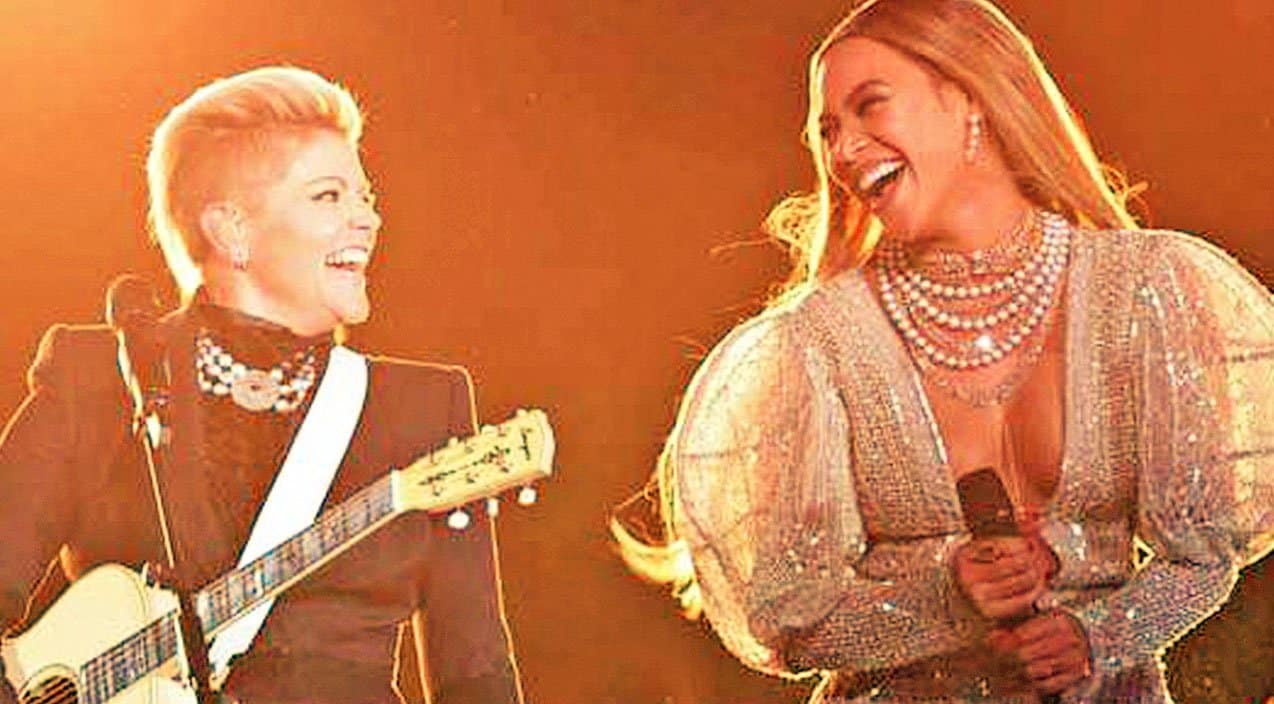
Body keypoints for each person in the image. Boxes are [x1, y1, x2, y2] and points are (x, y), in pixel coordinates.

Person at [615, 0, 1274, 701]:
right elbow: (793, 624)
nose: (843, 152)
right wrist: (946, 597)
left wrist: (1098, 636)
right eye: (828, 131)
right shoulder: (820, 342)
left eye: (870, 106)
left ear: (971, 99)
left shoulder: (1144, 287)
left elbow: (1201, 559)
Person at [0, 66, 523, 703]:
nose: (368, 219)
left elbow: (475, 672)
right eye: (329, 197)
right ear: (232, 230)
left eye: (366, 197)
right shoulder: (100, 376)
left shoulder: (421, 408)